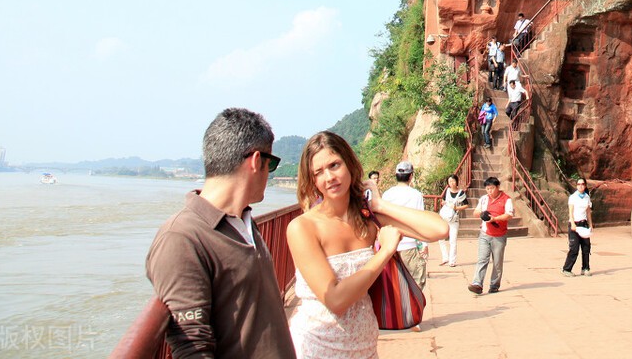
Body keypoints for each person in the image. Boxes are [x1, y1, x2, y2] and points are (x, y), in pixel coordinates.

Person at [146, 107, 296, 358]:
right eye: (271, 164)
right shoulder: (181, 238)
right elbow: (193, 348)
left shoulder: (243, 221)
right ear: (256, 161)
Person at [286, 133, 447, 356]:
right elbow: (335, 299)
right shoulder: (303, 227)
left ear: (350, 165)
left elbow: (439, 229)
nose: (329, 176)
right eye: (318, 172)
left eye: (334, 165)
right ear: (312, 180)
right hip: (317, 346)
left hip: (364, 347)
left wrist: (380, 205)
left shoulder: (367, 218)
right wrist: (385, 252)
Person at [382, 161, 429, 297]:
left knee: (395, 282)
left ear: (396, 175)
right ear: (411, 176)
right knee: (416, 280)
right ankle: (412, 310)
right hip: (409, 244)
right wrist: (423, 244)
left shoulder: (387, 194)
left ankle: (400, 312)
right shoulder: (416, 195)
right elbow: (420, 221)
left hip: (391, 245)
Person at [469, 177, 514, 295]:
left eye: (492, 188)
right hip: (485, 233)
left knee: (497, 262)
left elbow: (509, 215)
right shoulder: (484, 199)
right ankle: (477, 283)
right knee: (482, 259)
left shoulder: (506, 199)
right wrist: (482, 214)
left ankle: (494, 284)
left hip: (499, 235)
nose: (490, 191)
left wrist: (495, 219)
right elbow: (475, 212)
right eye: (487, 189)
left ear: (498, 187)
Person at [562, 178, 593, 276]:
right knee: (574, 248)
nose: (581, 186)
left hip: (583, 224)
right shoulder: (573, 197)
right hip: (574, 224)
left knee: (586, 247)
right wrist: (573, 223)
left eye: (582, 184)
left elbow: (588, 212)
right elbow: (570, 211)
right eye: (579, 184)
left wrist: (591, 224)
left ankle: (585, 268)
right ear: (576, 186)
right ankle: (566, 269)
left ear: (585, 185)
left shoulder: (587, 197)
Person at [438, 174, 469, 267]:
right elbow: (442, 201)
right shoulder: (447, 191)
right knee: (440, 238)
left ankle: (452, 260)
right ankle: (445, 257)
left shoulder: (461, 193)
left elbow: (466, 204)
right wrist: (443, 203)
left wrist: (456, 207)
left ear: (456, 181)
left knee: (453, 239)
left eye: (453, 181)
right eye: (449, 181)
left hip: (454, 219)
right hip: (444, 217)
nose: (451, 183)